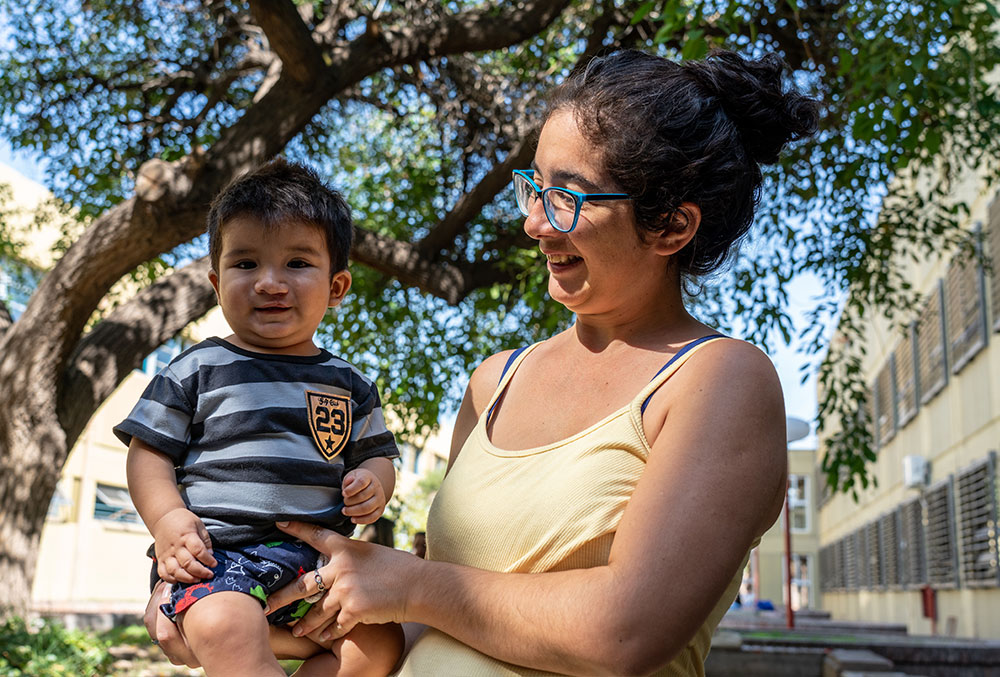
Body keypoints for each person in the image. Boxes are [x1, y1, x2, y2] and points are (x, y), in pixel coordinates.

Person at [149, 48, 818, 675]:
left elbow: (624, 631)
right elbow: (431, 616)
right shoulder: (495, 380)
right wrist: (228, 610)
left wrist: (408, 581)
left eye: (568, 197)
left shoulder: (720, 381)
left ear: (672, 226)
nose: (534, 223)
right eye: (534, 187)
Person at [117, 159, 405, 677]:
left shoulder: (349, 384)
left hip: (319, 565)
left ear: (337, 287)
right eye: (246, 264)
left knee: (379, 643)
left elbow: (377, 456)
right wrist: (168, 521)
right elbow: (149, 453)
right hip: (218, 557)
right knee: (226, 625)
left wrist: (373, 485)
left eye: (297, 263)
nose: (270, 283)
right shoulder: (198, 367)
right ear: (216, 281)